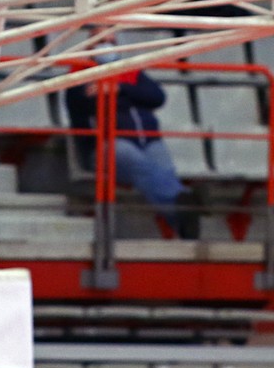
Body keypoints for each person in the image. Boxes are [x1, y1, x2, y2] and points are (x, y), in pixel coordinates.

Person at [62, 62, 200, 239]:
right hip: (104, 146)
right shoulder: (78, 76)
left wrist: (120, 89)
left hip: (148, 140)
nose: (105, 48)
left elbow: (157, 97)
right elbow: (85, 103)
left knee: (163, 167)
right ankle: (184, 204)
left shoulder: (130, 71)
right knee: (132, 158)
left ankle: (183, 220)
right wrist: (131, 95)